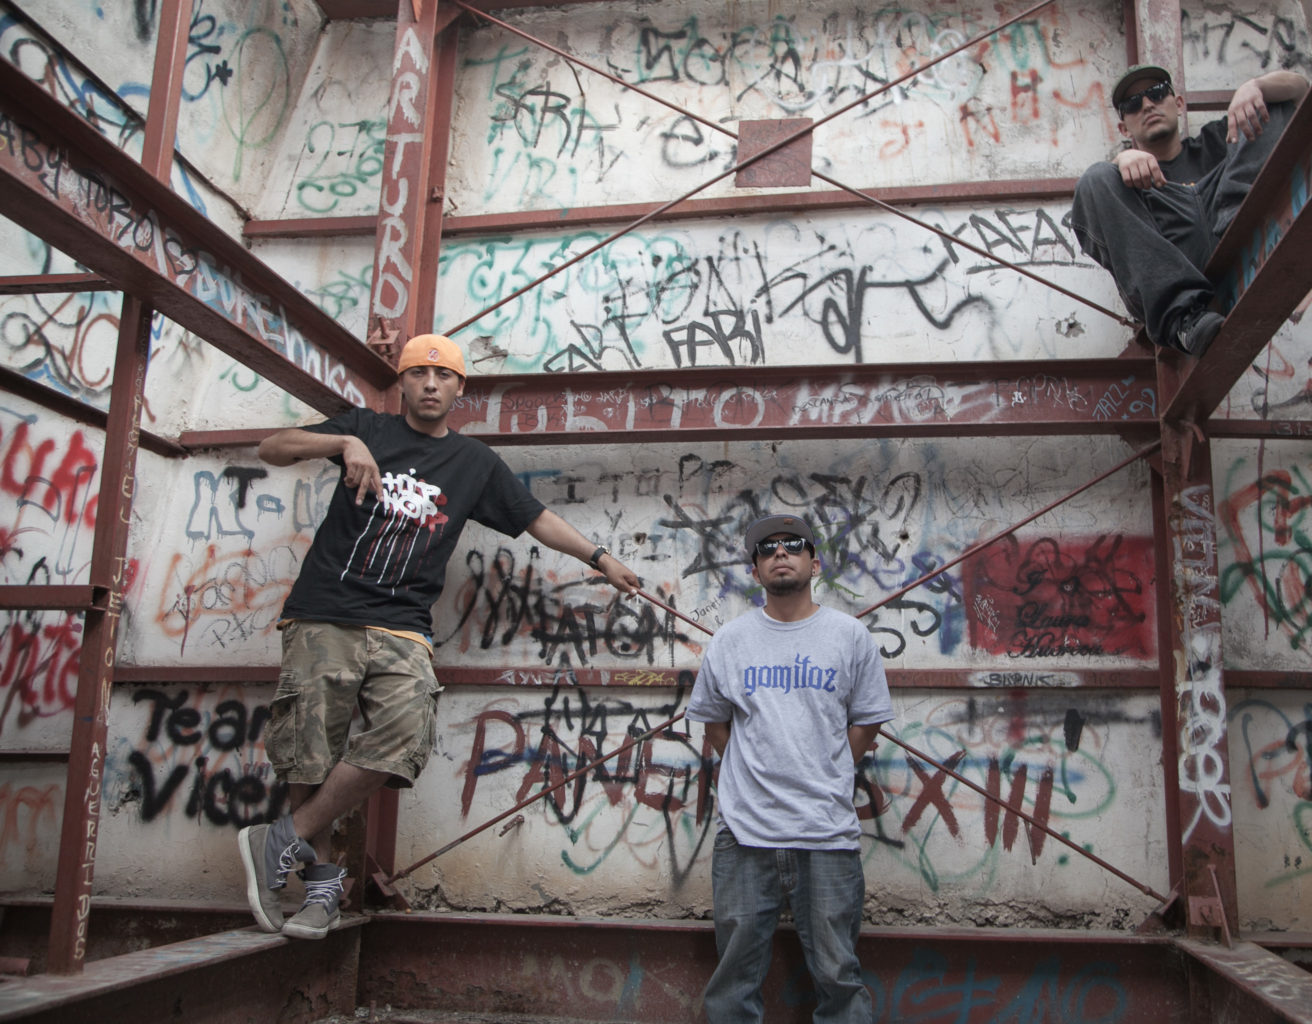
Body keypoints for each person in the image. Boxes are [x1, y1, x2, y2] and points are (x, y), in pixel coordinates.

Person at [237, 333, 639, 940]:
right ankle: (319, 889)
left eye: (443, 376)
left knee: (403, 737)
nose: (430, 384)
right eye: (418, 374)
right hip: (326, 613)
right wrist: (342, 442)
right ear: (402, 382)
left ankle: (279, 839)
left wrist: (600, 558)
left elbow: (535, 518)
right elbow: (274, 447)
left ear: (459, 388)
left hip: (404, 626)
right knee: (310, 755)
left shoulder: (473, 462)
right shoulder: (366, 428)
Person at [686, 513, 894, 1023]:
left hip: (826, 833)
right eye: (767, 548)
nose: (780, 552)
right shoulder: (730, 641)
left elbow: (868, 720)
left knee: (839, 976)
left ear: (814, 563)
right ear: (755, 571)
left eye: (794, 544)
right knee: (733, 981)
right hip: (745, 832)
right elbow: (715, 724)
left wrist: (828, 767)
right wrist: (752, 769)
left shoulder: (849, 636)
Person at [1070, 64, 1310, 356]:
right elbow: (1103, 193)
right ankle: (1181, 318)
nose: (1147, 105)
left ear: (1179, 104)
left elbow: (1300, 88)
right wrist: (1121, 160)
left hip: (1236, 224)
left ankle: (1239, 224)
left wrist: (1255, 86)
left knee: (1267, 104)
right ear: (1124, 129)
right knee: (1094, 178)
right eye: (1132, 104)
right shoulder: (1125, 184)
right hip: (1175, 263)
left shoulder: (1222, 138)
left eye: (1157, 93)